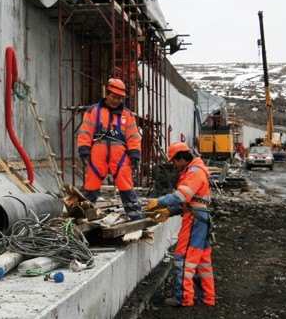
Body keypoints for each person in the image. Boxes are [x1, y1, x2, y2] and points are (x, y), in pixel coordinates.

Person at [146, 142, 216, 307]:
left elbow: (182, 196)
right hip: (201, 219)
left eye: (174, 161)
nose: (174, 165)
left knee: (183, 258)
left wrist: (159, 202)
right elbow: (193, 201)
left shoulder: (194, 172)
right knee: (202, 261)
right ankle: (208, 298)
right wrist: (170, 211)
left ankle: (183, 298)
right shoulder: (196, 170)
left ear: (182, 158)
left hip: (194, 220)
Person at [77, 78, 144, 220]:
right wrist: (84, 149)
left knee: (126, 187)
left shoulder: (128, 115)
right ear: (107, 94)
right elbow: (86, 131)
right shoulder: (93, 111)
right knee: (91, 188)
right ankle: (82, 219)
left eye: (119, 98)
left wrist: (135, 154)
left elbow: (133, 136)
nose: (115, 100)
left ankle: (136, 219)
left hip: (120, 157)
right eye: (113, 97)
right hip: (97, 155)